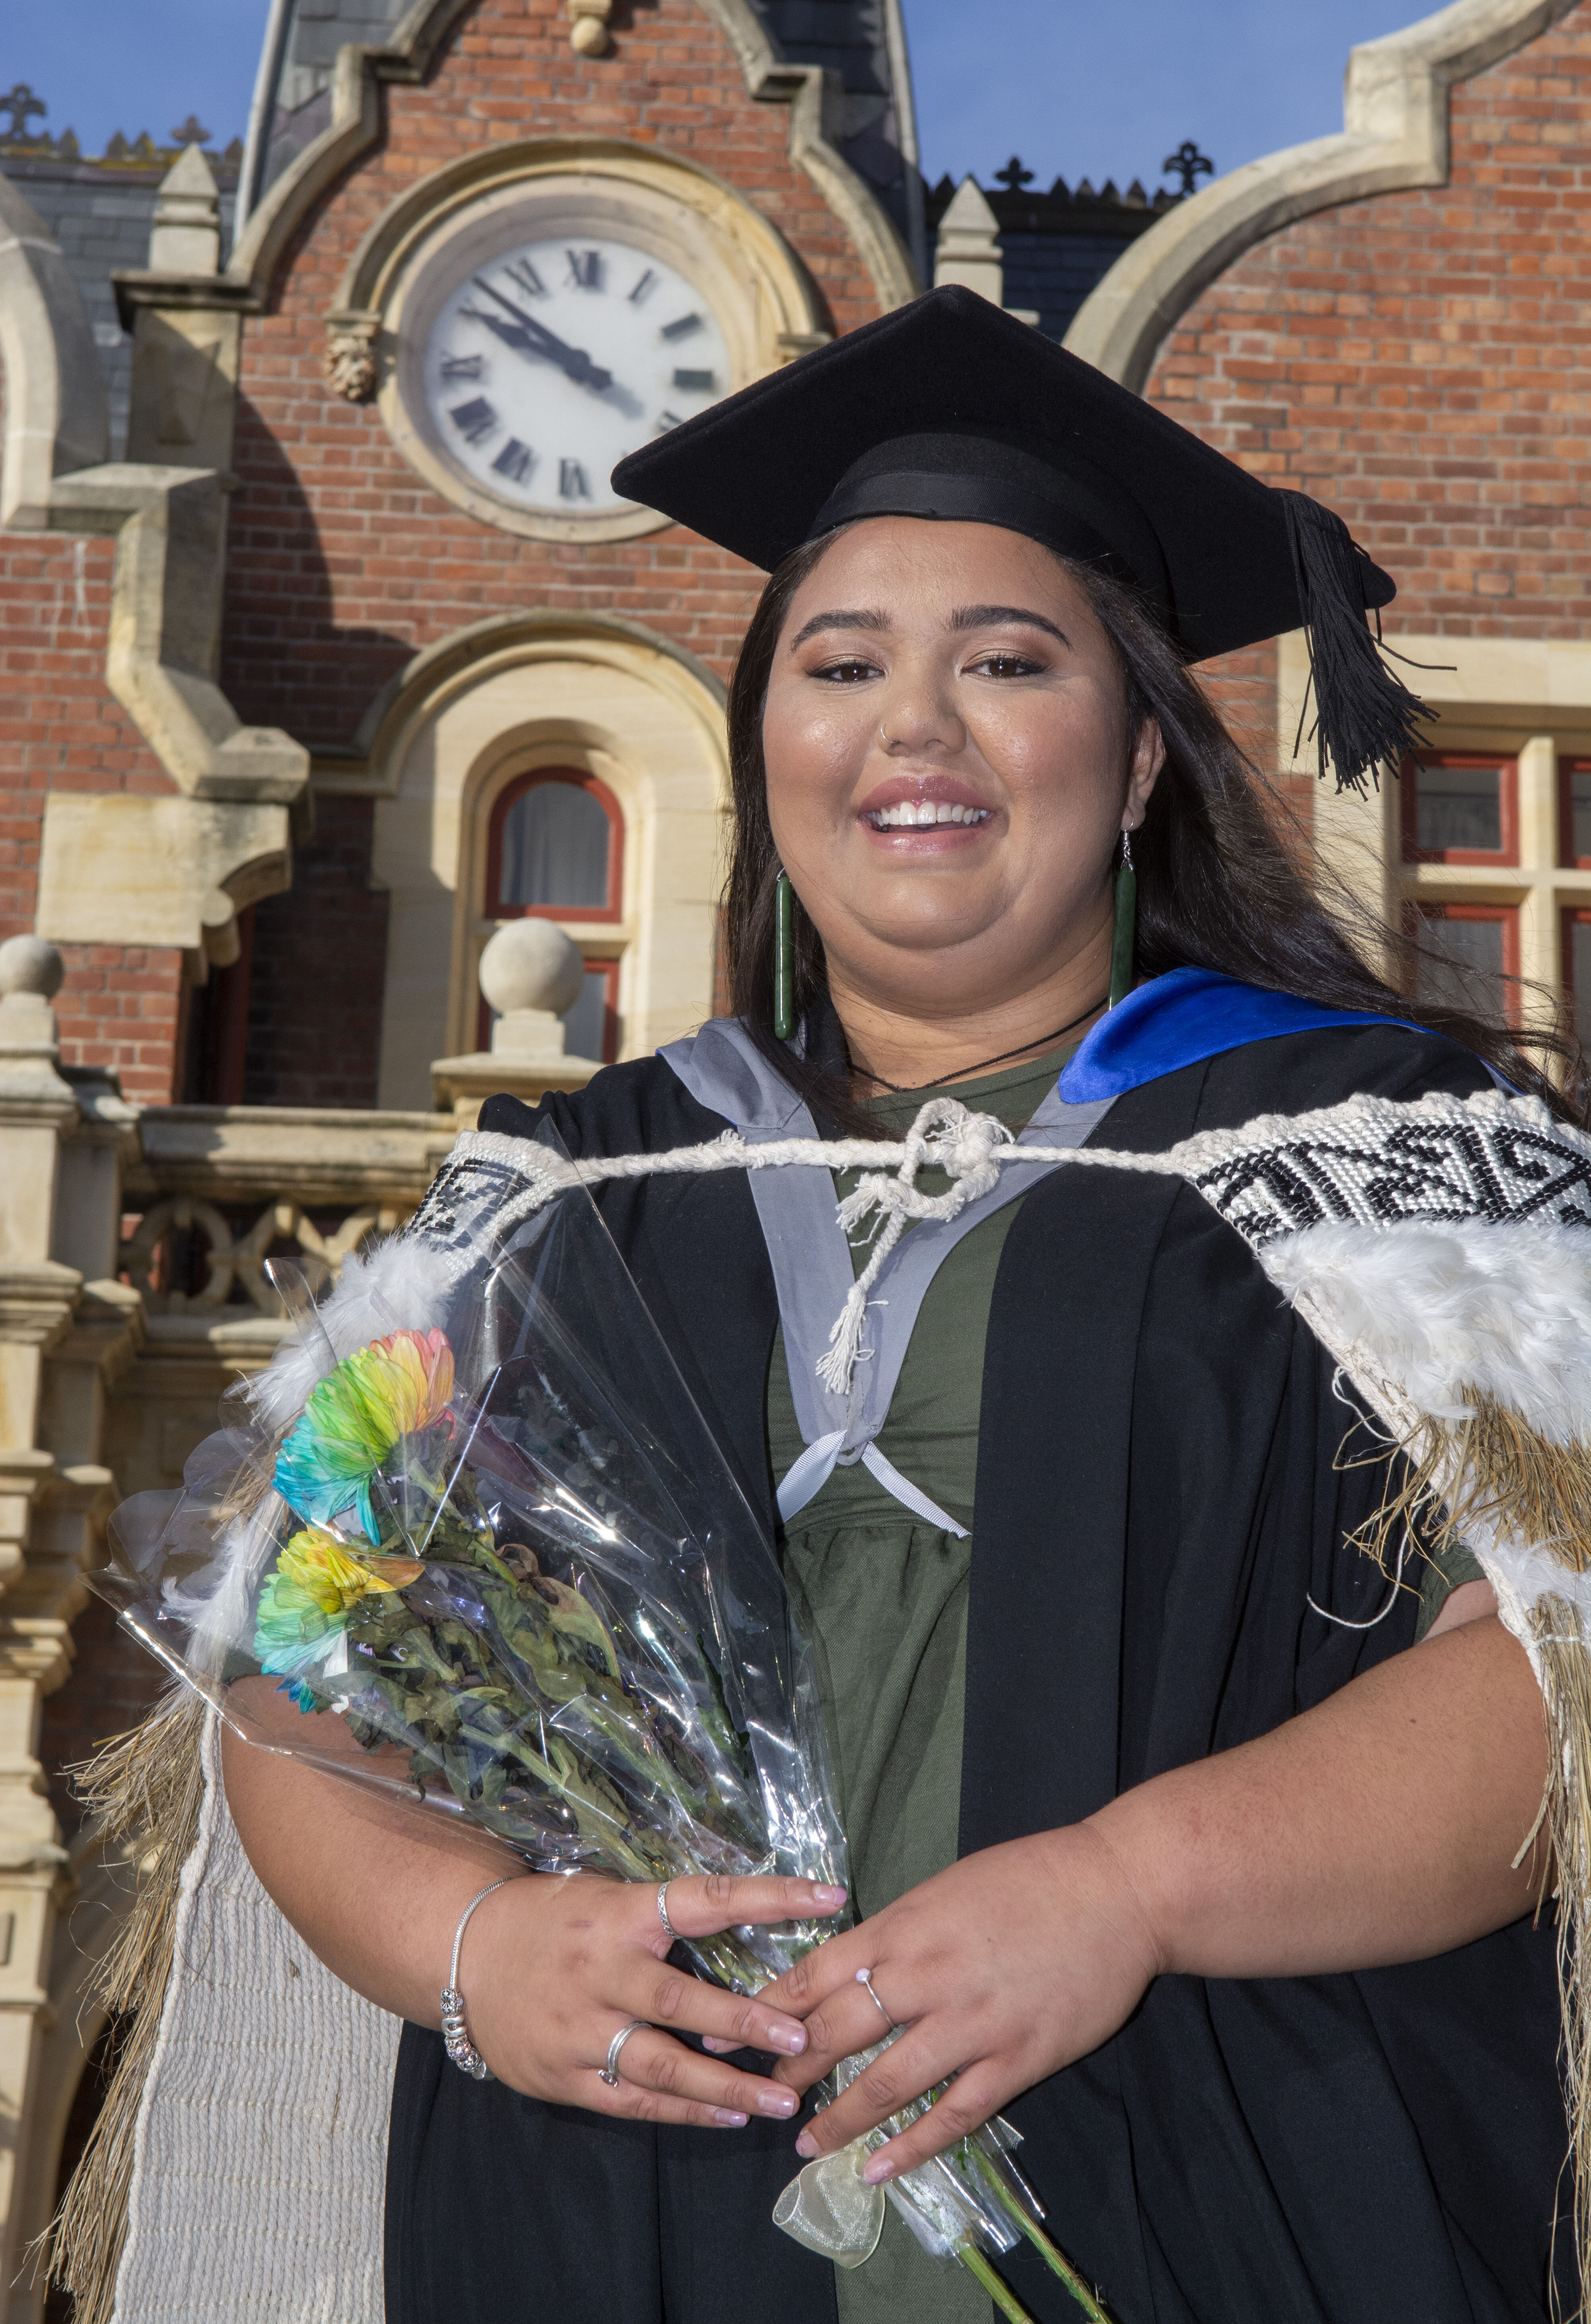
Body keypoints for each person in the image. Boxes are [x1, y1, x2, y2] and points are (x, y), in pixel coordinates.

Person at [220, 287, 1575, 2324]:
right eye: (840, 665)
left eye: (1007, 663)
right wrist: (475, 1949)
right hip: (623, 2224)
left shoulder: (1389, 1146)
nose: (912, 726)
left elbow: (1561, 1660)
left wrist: (1133, 1889)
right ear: (765, 749)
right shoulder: (562, 1191)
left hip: (1226, 2187)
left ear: (1137, 758)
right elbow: (289, 1657)